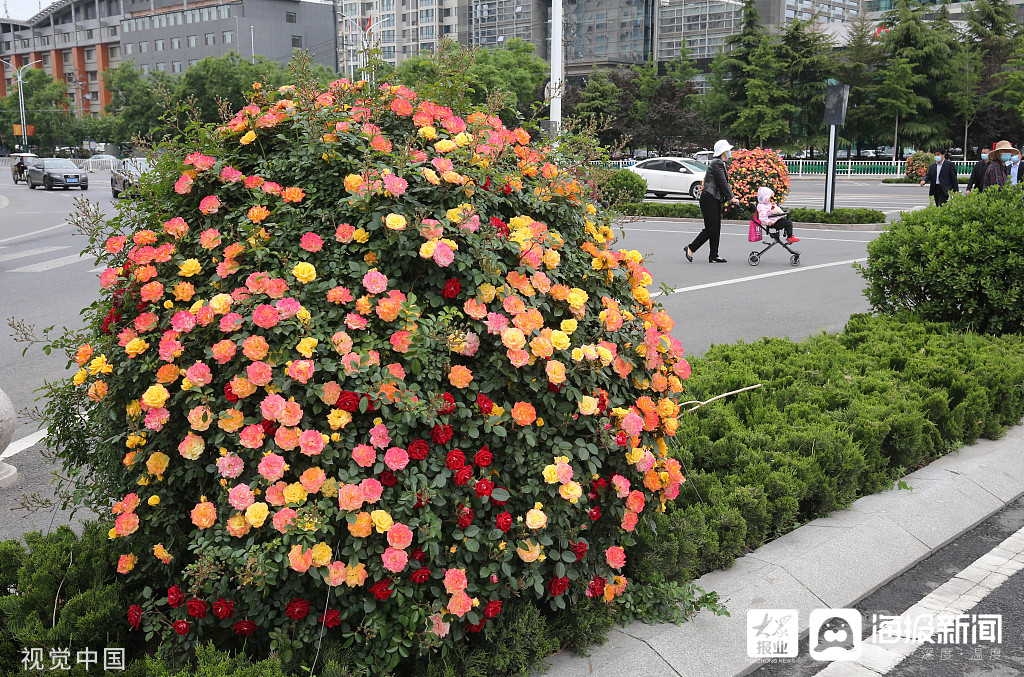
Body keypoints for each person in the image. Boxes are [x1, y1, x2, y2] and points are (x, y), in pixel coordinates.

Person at [685, 139, 739, 264]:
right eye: (728, 149)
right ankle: (691, 248)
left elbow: (722, 183)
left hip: (714, 198)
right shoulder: (717, 163)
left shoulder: (720, 162)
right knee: (711, 228)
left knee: (716, 227)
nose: (729, 151)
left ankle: (714, 254)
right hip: (709, 197)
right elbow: (722, 182)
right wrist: (731, 197)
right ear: (723, 151)